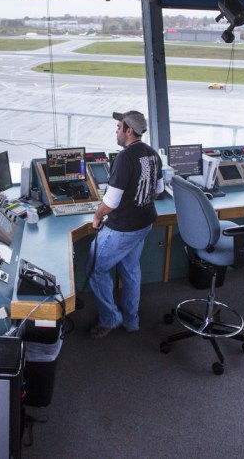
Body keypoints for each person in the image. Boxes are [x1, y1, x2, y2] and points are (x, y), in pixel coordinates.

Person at [88, 110, 164, 338]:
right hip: (145, 223)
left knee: (95, 268)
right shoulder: (152, 154)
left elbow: (110, 202)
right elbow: (157, 191)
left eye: (119, 127)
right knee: (131, 270)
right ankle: (132, 321)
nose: (116, 131)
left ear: (129, 131)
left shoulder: (124, 158)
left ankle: (110, 319)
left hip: (122, 229)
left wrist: (97, 217)